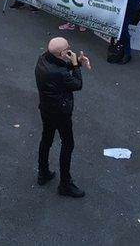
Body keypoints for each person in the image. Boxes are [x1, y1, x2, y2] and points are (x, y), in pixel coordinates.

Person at [35, 37, 91, 198]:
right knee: (68, 143)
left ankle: (43, 172)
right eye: (68, 48)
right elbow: (77, 84)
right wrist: (75, 64)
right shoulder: (58, 73)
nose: (70, 50)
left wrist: (77, 62)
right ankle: (65, 184)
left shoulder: (43, 59)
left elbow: (61, 66)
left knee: (46, 139)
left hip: (46, 109)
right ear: (61, 53)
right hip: (61, 112)